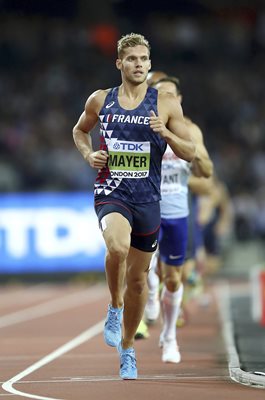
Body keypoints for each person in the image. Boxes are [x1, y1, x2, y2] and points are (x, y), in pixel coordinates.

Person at [72, 34, 196, 379]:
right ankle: (114, 305)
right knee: (117, 245)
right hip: (112, 192)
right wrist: (88, 154)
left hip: (148, 199)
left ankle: (127, 348)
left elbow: (190, 152)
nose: (138, 64)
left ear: (150, 64)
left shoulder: (166, 103)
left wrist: (167, 134)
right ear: (119, 63)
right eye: (131, 59)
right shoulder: (101, 100)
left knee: (139, 282)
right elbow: (80, 131)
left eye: (143, 59)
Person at [139, 74, 213, 363]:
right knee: (141, 266)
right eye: (160, 96)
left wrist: (189, 152)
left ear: (179, 101)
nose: (165, 101)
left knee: (175, 278)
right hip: (147, 206)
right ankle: (148, 306)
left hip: (177, 210)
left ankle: (169, 337)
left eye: (170, 96)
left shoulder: (190, 130)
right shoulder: (142, 126)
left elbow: (206, 175)